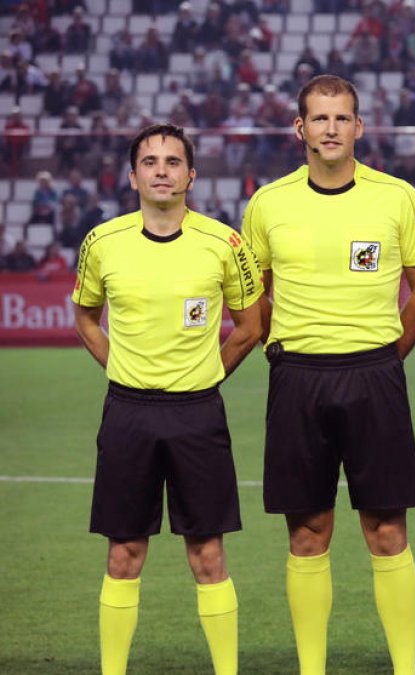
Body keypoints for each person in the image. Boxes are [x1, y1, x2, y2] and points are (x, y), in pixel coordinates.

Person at [242, 74, 415, 675]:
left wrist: (384, 357)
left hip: (374, 376)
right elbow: (254, 299)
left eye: (342, 118)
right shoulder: (268, 204)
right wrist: (288, 347)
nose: (331, 129)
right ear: (300, 128)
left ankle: (404, 668)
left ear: (359, 127)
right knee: (308, 532)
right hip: (297, 380)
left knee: (386, 529)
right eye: (319, 119)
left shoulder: (398, 198)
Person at [72, 123, 264, 675]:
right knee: (123, 554)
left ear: (191, 175)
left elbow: (249, 326)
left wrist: (206, 374)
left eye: (173, 161)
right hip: (128, 413)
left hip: (197, 413)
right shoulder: (102, 242)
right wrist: (119, 367)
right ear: (132, 176)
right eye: (150, 162)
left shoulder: (224, 243)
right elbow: (85, 317)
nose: (162, 170)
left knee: (208, 554)